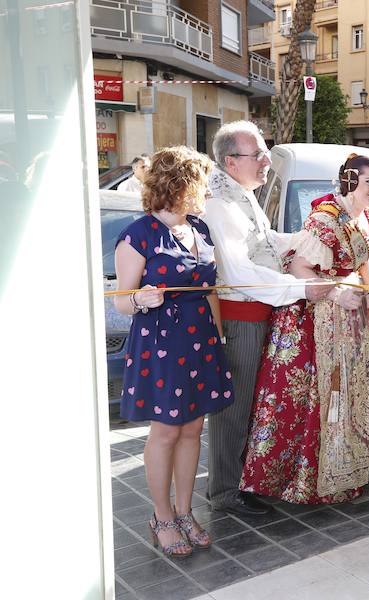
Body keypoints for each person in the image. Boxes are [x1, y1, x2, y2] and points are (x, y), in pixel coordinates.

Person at [202, 121, 333, 516]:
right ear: (230, 160)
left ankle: (241, 480)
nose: (266, 162)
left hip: (259, 311)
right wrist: (300, 289)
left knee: (250, 403)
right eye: (257, 154)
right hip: (241, 316)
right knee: (234, 406)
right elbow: (240, 272)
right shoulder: (219, 203)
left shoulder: (240, 194)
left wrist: (301, 238)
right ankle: (224, 492)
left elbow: (264, 241)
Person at [240, 153, 369, 504]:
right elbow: (299, 267)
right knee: (304, 396)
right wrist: (335, 293)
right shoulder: (324, 218)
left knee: (342, 392)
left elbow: (366, 263)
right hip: (311, 318)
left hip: (348, 319)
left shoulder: (367, 216)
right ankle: (286, 480)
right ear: (351, 181)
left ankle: (339, 469)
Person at [113, 146, 233, 558]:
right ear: (179, 185)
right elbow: (122, 302)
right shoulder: (138, 234)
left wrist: (218, 336)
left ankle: (185, 512)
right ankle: (162, 517)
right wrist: (143, 298)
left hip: (200, 340)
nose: (207, 189)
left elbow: (210, 290)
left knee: (192, 429)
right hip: (162, 343)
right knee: (165, 432)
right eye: (201, 181)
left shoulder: (199, 228)